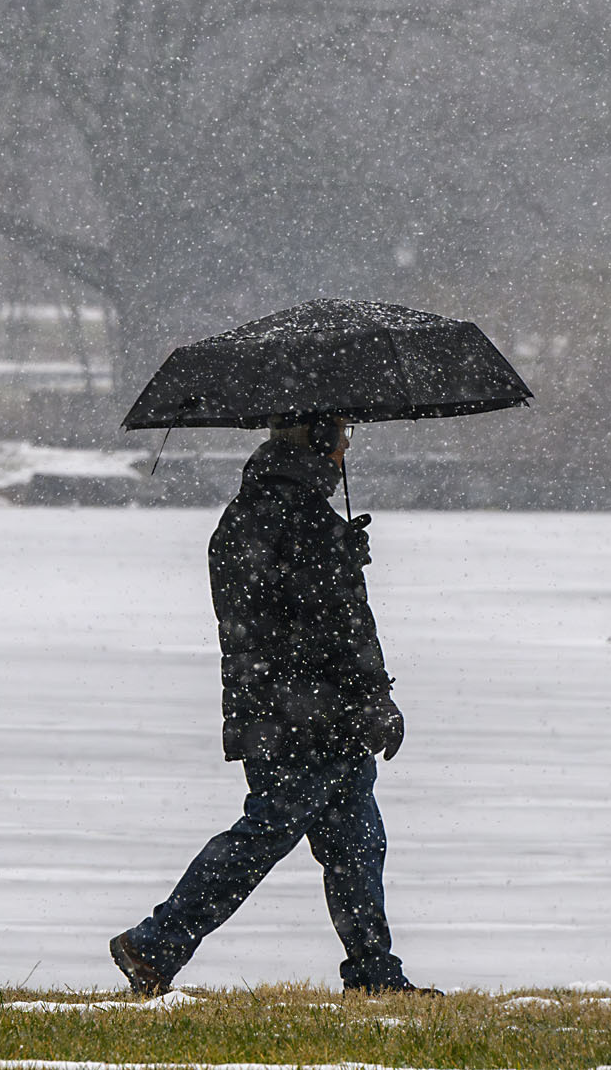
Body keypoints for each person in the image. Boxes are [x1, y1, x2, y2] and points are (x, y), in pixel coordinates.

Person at [109, 414, 435, 996]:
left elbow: (276, 620)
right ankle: (156, 943)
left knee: (356, 842)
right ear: (319, 441)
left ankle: (375, 973)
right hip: (303, 716)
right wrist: (372, 695)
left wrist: (340, 554)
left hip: (289, 710)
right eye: (342, 436)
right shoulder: (298, 522)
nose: (345, 451)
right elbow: (332, 630)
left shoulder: (255, 516)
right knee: (266, 836)